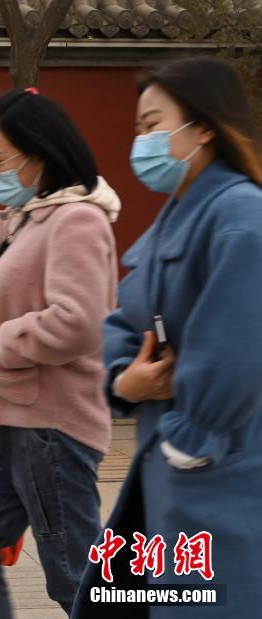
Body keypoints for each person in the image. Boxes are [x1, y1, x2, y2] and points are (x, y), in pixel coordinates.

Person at [72, 57, 262, 619]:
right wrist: (123, 378)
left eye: (153, 124)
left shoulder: (240, 216)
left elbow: (238, 345)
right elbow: (122, 320)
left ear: (204, 126)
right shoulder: (177, 214)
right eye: (138, 127)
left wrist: (190, 438)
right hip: (169, 469)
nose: (141, 140)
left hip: (217, 466)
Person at [0, 88, 121, 617]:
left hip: (49, 429)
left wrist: (1, 345)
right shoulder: (32, 218)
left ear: (37, 154)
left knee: (77, 577)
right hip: (10, 423)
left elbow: (81, 321)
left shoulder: (76, 220)